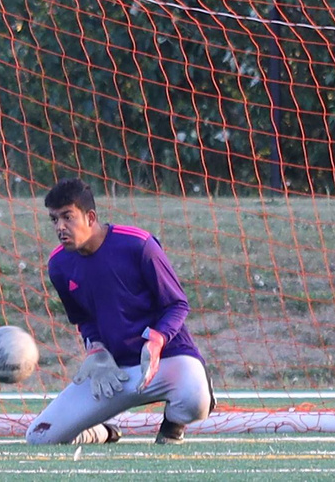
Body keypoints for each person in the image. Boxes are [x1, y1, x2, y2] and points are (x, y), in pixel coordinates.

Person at [24, 178, 213, 447]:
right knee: (40, 437)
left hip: (164, 361)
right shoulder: (59, 265)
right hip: (114, 373)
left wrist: (157, 340)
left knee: (196, 400)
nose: (60, 227)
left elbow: (177, 304)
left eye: (68, 217)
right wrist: (96, 350)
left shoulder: (138, 245)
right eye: (54, 220)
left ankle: (173, 426)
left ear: (90, 217)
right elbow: (84, 320)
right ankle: (106, 431)